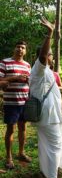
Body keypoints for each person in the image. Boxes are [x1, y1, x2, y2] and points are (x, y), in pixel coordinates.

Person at [29, 17, 62, 178]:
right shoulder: (39, 68)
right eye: (51, 55)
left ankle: (46, 172)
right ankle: (52, 177)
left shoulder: (46, 73)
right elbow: (44, 55)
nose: (51, 57)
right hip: (48, 116)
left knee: (46, 145)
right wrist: (49, 34)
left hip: (49, 115)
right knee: (54, 146)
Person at [0, 41, 31, 169]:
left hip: (25, 101)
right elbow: (0, 81)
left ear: (25, 51)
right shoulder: (5, 62)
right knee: (10, 129)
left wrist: (28, 80)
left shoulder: (28, 65)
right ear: (14, 48)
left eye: (23, 47)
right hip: (11, 102)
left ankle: (21, 153)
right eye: (18, 47)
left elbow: (30, 82)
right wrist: (15, 78)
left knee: (23, 128)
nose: (20, 49)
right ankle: (9, 157)